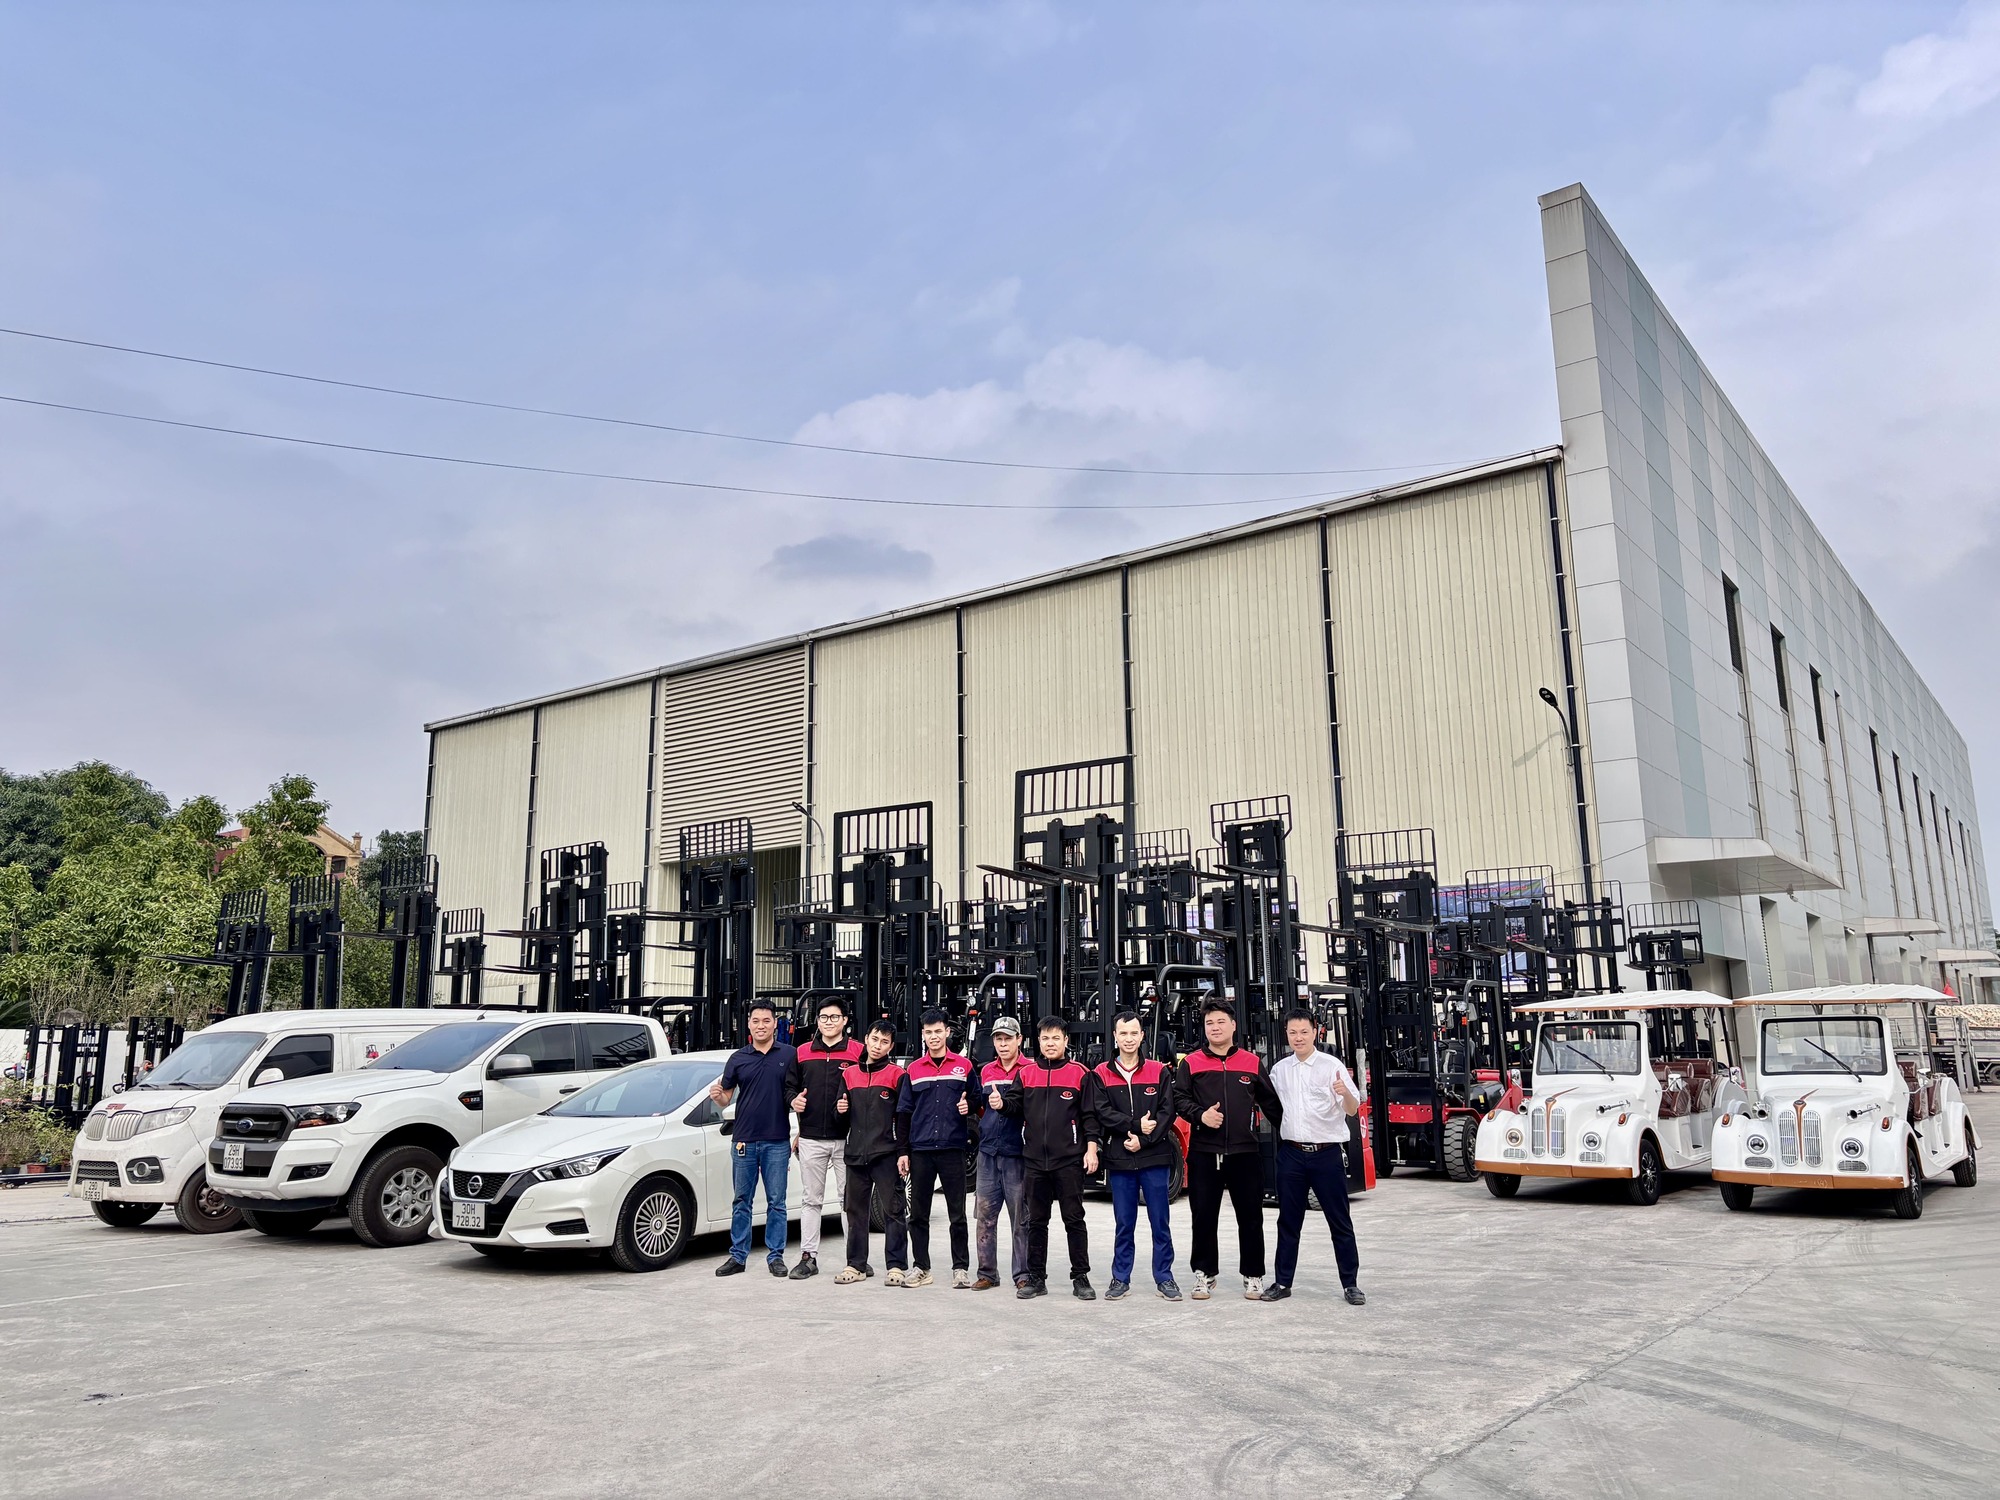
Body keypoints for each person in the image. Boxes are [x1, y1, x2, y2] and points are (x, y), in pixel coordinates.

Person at [1174, 998, 1283, 1301]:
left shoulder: (1251, 1062)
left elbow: (1272, 1105)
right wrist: (1201, 1115)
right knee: (1203, 1216)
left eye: (1221, 1022)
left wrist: (1292, 1138)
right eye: (1209, 1023)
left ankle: (1254, 1275)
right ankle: (1204, 1274)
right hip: (1204, 1152)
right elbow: (1179, 1099)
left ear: (1233, 1025)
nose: (1215, 1027)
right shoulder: (1191, 1063)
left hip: (1244, 1153)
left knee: (1251, 1217)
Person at [1263, 1011, 1365, 1305]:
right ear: (1286, 1034)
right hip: (1291, 1154)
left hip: (1326, 1155)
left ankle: (1350, 1285)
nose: (1298, 1038)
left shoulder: (1331, 1066)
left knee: (1339, 1222)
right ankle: (1283, 1282)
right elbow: (1266, 1100)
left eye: (1304, 1032)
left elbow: (1352, 1109)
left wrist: (1345, 1093)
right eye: (1293, 1032)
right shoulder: (1280, 1070)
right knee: (1288, 1222)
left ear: (1315, 1032)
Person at [1002, 1015, 1101, 1301]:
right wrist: (1000, 1104)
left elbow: (1090, 1116)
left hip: (1068, 1160)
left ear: (1066, 1041)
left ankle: (1080, 1277)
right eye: (1045, 1038)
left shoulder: (1080, 1073)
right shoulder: (1027, 1074)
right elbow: (1014, 1106)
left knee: (1074, 1220)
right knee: (1036, 1222)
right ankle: (1036, 1278)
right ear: (1038, 1041)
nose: (1050, 1043)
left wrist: (1091, 1148)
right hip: (1034, 1160)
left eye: (1056, 1038)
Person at [707, 999, 799, 1278]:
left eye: (766, 1021)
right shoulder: (738, 1058)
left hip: (777, 1140)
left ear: (775, 1024)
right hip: (744, 1140)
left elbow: (796, 1094)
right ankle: (738, 1256)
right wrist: (718, 1096)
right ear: (748, 1024)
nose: (761, 1026)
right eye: (756, 1021)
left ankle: (776, 1257)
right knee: (741, 1201)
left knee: (777, 1202)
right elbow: (725, 1098)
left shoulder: (789, 1055)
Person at [1093, 1011, 1181, 1302]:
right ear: (1115, 1036)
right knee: (1124, 1223)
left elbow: (1167, 1113)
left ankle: (1164, 1277)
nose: (1129, 1039)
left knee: (1160, 1222)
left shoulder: (1159, 1071)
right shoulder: (1101, 1073)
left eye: (1134, 1033)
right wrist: (1133, 1127)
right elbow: (1102, 1112)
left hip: (1154, 1157)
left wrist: (1143, 1141)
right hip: (1120, 1158)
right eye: (1123, 1033)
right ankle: (1120, 1278)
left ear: (1142, 1036)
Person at [896, 1009, 980, 1289]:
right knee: (918, 1214)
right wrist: (903, 1151)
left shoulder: (964, 1066)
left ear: (947, 1032)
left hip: (952, 1149)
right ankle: (921, 1267)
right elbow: (904, 1112)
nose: (933, 1036)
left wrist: (969, 1108)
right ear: (923, 1034)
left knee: (957, 1214)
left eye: (938, 1031)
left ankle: (960, 1268)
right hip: (921, 1150)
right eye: (928, 1032)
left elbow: (977, 1100)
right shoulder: (913, 1070)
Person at [784, 998, 863, 1280]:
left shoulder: (858, 1052)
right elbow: (789, 1087)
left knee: (848, 1201)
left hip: (847, 1139)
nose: (829, 1022)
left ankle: (855, 1259)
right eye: (823, 1017)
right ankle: (808, 1257)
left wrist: (852, 1106)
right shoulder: (802, 1052)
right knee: (811, 1200)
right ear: (817, 1021)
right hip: (811, 1138)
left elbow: (868, 1087)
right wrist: (793, 1101)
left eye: (834, 1017)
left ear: (845, 1020)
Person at [834, 1019, 910, 1286]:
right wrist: (840, 1111)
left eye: (884, 1042)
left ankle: (897, 1266)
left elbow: (904, 1118)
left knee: (893, 1210)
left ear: (891, 1047)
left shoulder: (897, 1075)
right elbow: (840, 1117)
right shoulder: (849, 1075)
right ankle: (856, 1265)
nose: (878, 1046)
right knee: (855, 1212)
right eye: (875, 1039)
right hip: (856, 1154)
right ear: (866, 1039)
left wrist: (903, 1151)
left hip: (886, 1153)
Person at [973, 1015, 1031, 1291]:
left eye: (1008, 1038)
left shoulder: (1029, 1070)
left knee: (1020, 1217)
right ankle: (987, 1273)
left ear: (1020, 1040)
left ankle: (1023, 1274)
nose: (1003, 1043)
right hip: (988, 1152)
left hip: (1016, 1153)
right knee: (985, 1215)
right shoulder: (986, 1071)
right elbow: (981, 1107)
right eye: (998, 1038)